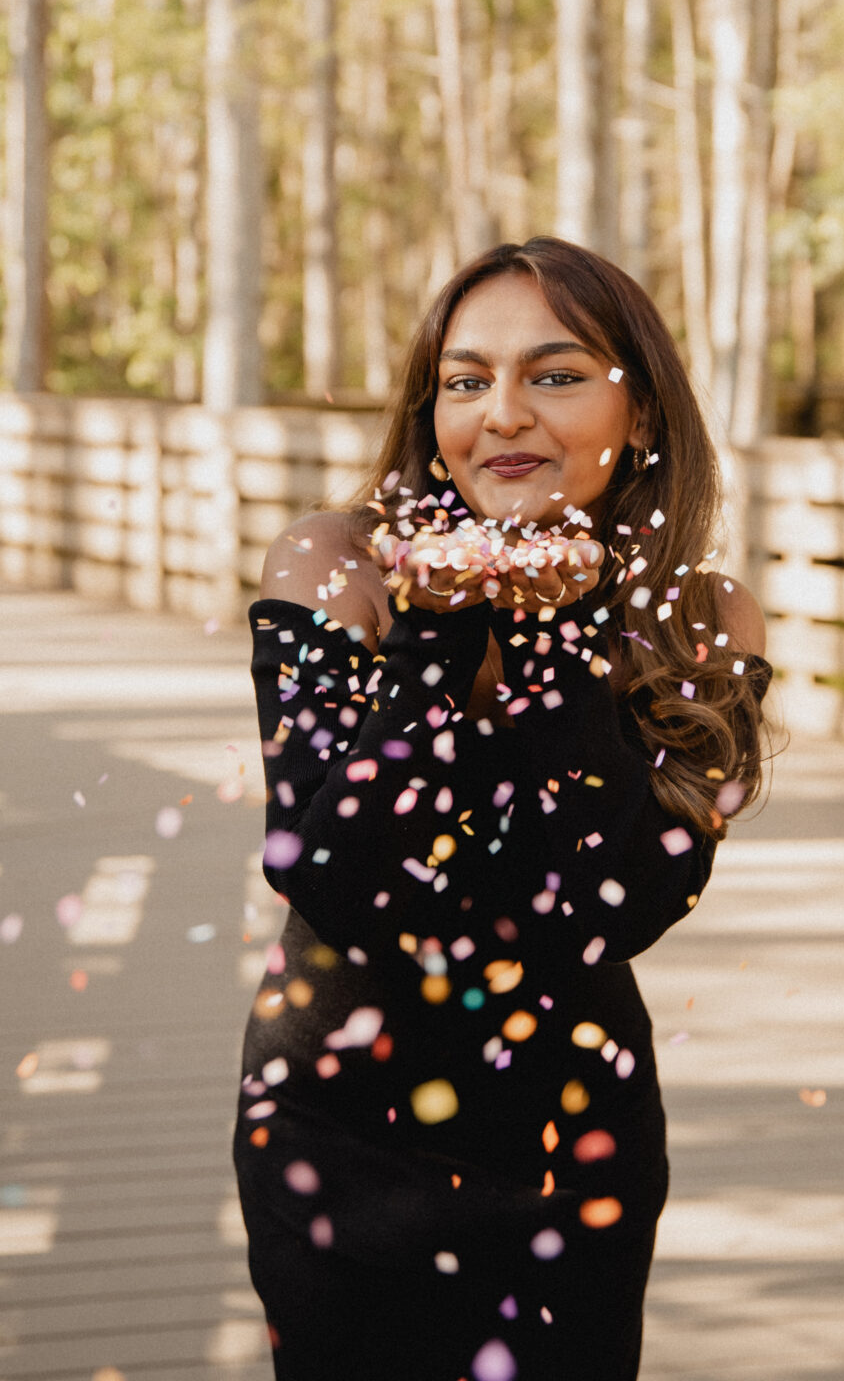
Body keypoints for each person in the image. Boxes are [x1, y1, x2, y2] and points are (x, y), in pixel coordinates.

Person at [233, 237, 771, 1381]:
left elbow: (616, 906)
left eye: (557, 374)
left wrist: (550, 640)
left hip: (570, 1149)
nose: (503, 414)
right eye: (466, 380)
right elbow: (331, 878)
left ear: (641, 413)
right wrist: (438, 622)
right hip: (340, 1133)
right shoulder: (334, 567)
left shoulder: (701, 615)